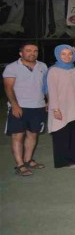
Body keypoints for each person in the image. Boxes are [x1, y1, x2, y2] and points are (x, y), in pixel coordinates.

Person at [3, 42, 47, 176]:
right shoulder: (12, 67)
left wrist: (47, 101)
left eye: (35, 51)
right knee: (18, 135)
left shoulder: (43, 66)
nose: (32, 53)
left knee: (33, 134)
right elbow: (8, 87)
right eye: (28, 50)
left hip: (38, 106)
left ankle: (28, 160)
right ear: (21, 53)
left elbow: (45, 86)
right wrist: (15, 105)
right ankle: (20, 165)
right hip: (20, 107)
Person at [45, 45, 75, 168]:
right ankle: (64, 161)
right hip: (61, 108)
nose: (67, 56)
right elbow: (52, 91)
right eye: (63, 54)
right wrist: (56, 109)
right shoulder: (54, 70)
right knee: (62, 135)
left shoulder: (73, 69)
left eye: (69, 54)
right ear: (58, 55)